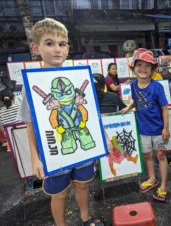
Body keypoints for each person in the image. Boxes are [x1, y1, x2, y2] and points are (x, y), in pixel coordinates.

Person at [18, 18, 111, 226]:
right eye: (49, 43)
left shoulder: (78, 77)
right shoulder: (30, 83)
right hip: (54, 151)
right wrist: (34, 158)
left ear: (68, 47)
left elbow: (91, 112)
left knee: (83, 185)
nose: (57, 49)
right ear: (36, 47)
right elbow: (30, 123)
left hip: (83, 143)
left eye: (62, 44)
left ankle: (85, 218)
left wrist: (103, 135)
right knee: (59, 194)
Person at [121, 48, 170, 202]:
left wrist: (166, 128)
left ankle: (163, 185)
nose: (143, 69)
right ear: (133, 68)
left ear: (152, 69)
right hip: (143, 130)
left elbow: (164, 108)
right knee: (147, 155)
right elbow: (137, 100)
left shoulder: (157, 87)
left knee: (161, 155)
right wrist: (128, 107)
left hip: (157, 130)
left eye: (147, 66)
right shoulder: (133, 85)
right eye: (139, 65)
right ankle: (152, 178)